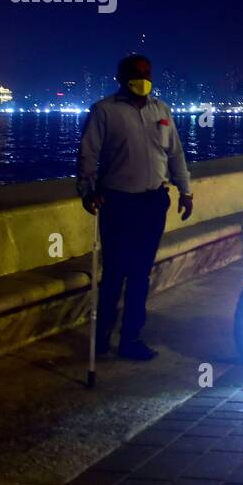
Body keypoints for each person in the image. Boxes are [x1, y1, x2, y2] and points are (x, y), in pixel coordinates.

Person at [77, 54, 194, 360]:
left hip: (152, 202)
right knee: (115, 272)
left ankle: (130, 339)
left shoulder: (162, 110)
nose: (142, 78)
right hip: (117, 202)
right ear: (121, 77)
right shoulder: (104, 111)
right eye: (135, 73)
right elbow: (88, 154)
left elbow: (175, 154)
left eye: (147, 73)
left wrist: (186, 190)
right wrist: (87, 190)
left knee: (141, 274)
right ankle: (101, 338)